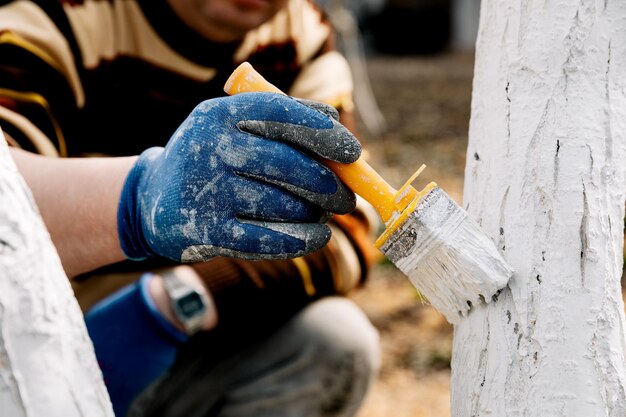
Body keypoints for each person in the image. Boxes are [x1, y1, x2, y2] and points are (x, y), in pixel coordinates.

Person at [0, 1, 382, 416]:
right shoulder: (52, 21)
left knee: (333, 339)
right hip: (45, 333)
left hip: (202, 332)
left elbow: (347, 228)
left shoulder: (301, 34)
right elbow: (7, 208)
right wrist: (135, 199)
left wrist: (178, 301)